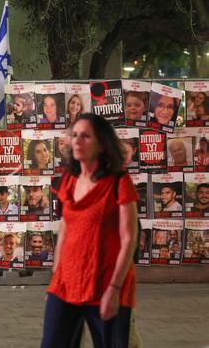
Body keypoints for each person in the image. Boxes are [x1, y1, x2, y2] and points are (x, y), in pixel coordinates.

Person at [41, 113, 139, 348]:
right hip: (67, 282)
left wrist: (114, 290)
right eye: (74, 135)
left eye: (85, 136)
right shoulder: (70, 179)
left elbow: (129, 239)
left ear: (102, 143)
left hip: (105, 283)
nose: (77, 141)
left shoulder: (119, 182)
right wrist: (56, 277)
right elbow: (65, 228)